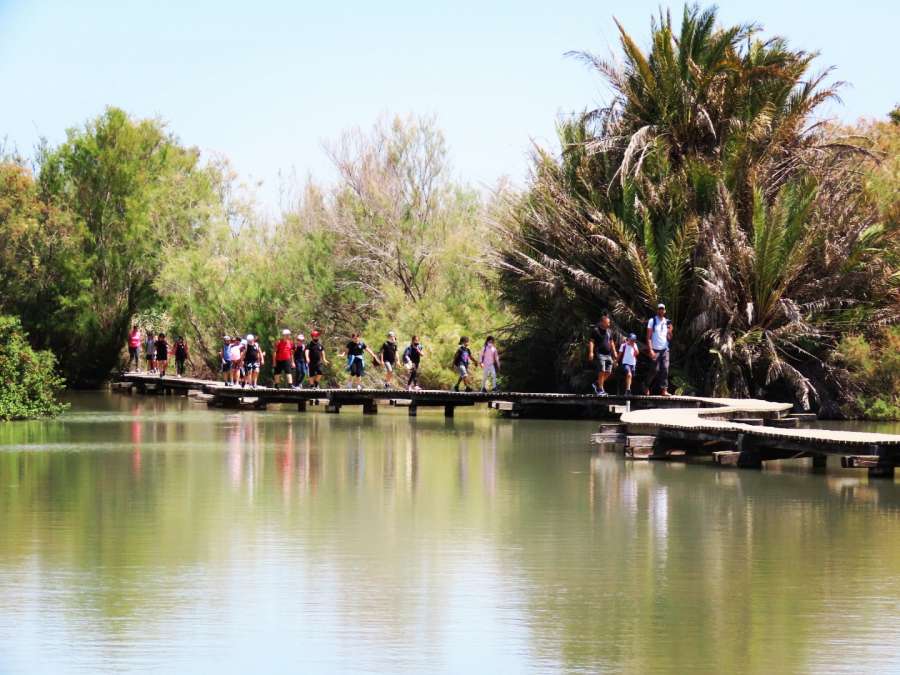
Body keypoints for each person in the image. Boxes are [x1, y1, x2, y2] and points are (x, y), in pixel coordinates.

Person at [644, 303, 673, 396]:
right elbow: (648, 337)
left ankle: (664, 390)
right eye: (659, 309)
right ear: (657, 310)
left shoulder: (667, 322)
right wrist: (650, 350)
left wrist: (670, 331)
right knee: (654, 370)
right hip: (655, 349)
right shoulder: (652, 321)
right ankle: (646, 386)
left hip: (665, 349)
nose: (661, 310)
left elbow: (670, 337)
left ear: (665, 311)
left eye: (662, 309)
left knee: (665, 368)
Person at [588, 313, 617, 396]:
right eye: (607, 322)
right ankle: (600, 389)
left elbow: (611, 342)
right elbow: (591, 342)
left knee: (609, 372)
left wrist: (614, 351)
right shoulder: (596, 330)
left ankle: (597, 384)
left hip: (608, 354)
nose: (609, 324)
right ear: (602, 322)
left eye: (609, 322)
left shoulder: (609, 331)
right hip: (600, 353)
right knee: (602, 371)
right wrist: (591, 352)